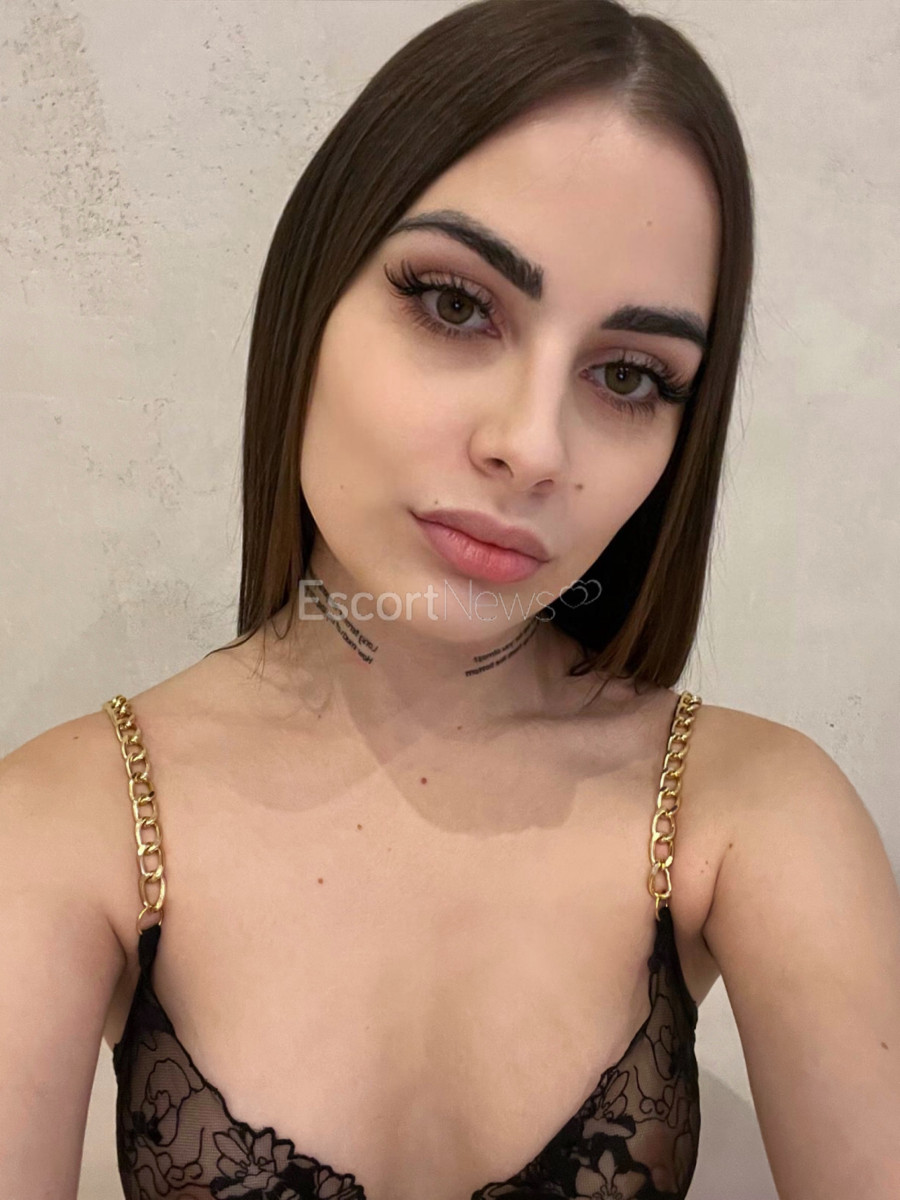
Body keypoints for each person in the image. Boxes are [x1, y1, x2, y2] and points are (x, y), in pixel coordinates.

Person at [2, 1, 898, 1197]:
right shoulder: (71, 823)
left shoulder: (753, 816)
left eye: (630, 375)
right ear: (311, 296)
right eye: (456, 304)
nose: (533, 446)